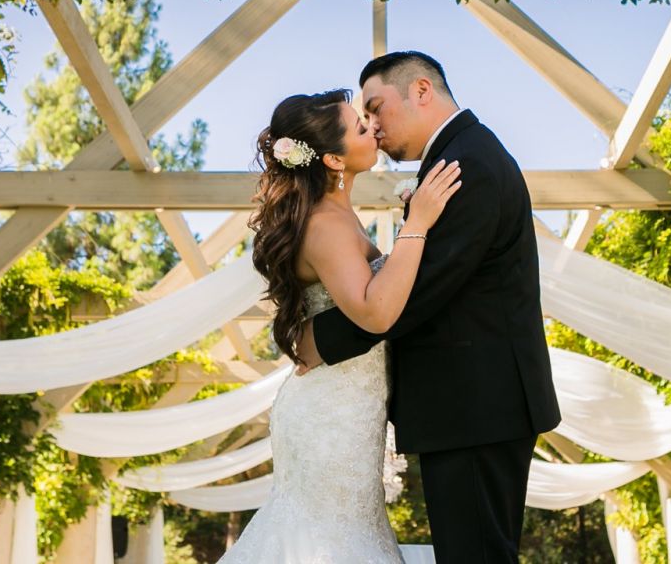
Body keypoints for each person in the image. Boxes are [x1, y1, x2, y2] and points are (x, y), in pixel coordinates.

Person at [297, 52, 560, 563]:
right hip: (473, 407)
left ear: (421, 90)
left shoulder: (467, 164)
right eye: (364, 118)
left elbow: (416, 294)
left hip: (476, 407)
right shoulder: (461, 156)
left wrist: (316, 340)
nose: (373, 126)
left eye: (376, 108)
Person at [219, 87, 461, 562]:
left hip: (350, 406)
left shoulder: (336, 213)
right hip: (330, 414)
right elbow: (374, 311)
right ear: (332, 160)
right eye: (358, 124)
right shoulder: (326, 223)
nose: (372, 126)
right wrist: (420, 223)